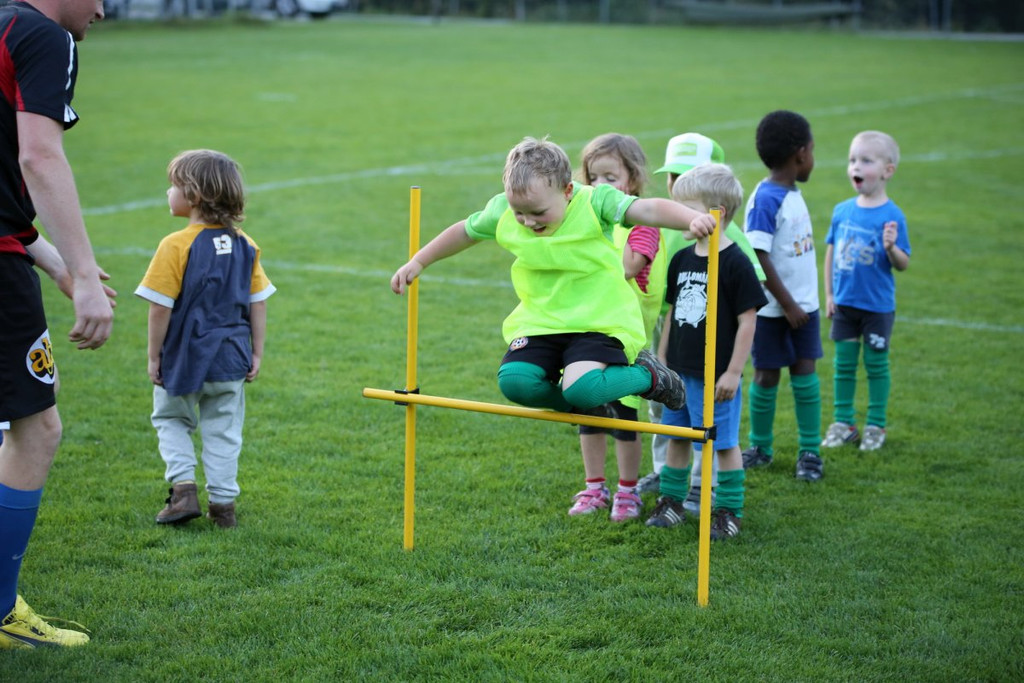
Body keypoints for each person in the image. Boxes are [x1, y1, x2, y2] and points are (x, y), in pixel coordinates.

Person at [390, 136, 717, 512]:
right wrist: (419, 261)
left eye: (538, 213)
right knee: (515, 382)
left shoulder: (595, 201)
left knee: (582, 388)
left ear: (567, 190)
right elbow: (465, 230)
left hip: (598, 320)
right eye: (519, 214)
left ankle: (650, 377)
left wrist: (690, 218)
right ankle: (588, 410)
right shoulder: (505, 209)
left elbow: (648, 208)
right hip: (542, 321)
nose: (528, 221)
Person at [0, 0, 111, 649]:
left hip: (12, 248)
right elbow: (39, 158)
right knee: (36, 427)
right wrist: (86, 274)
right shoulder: (42, 35)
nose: (102, 9)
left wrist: (52, 263)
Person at [135, 150, 275, 530]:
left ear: (193, 196)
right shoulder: (246, 244)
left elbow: (159, 308)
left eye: (173, 185)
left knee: (171, 418)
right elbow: (258, 303)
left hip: (185, 356)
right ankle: (223, 507)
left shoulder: (175, 245)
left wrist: (154, 356)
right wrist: (257, 352)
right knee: (224, 431)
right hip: (231, 358)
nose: (168, 192)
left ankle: (183, 491)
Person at [638, 132, 765, 514]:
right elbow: (673, 314)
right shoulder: (681, 259)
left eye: (686, 209)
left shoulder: (736, 262)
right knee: (677, 436)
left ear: (717, 214)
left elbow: (748, 322)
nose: (678, 215)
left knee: (722, 443)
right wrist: (662, 361)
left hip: (715, 376)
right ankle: (671, 502)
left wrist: (733, 373)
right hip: (679, 371)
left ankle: (728, 510)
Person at [569, 133, 665, 522]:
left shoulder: (642, 222)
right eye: (593, 178)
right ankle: (594, 487)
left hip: (625, 340)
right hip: (586, 333)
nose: (600, 186)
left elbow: (627, 267)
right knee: (589, 413)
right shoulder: (586, 219)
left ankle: (627, 491)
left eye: (611, 178)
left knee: (625, 417)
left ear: (633, 179)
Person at [740, 110, 824, 482]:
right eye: (813, 151)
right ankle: (760, 447)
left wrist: (800, 303)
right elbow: (757, 254)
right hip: (776, 311)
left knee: (805, 374)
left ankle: (810, 452)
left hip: (806, 307)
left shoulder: (790, 192)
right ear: (801, 154)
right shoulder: (766, 199)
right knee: (766, 376)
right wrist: (787, 304)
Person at [822, 131, 910, 452]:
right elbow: (831, 253)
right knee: (843, 366)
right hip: (845, 304)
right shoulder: (842, 210)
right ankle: (844, 423)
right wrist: (829, 294)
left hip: (877, 307)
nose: (856, 166)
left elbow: (903, 263)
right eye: (852, 160)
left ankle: (875, 425)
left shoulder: (893, 216)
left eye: (866, 161)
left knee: (876, 366)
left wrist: (891, 247)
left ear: (888, 171)